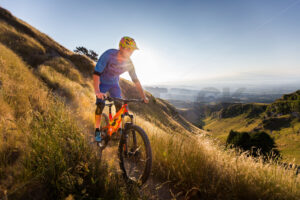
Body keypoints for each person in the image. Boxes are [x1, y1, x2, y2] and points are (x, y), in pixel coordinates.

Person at [93, 36, 149, 143]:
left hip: (114, 84)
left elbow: (135, 80)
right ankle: (97, 130)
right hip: (102, 83)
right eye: (128, 49)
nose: (130, 52)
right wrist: (97, 91)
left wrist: (143, 96)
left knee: (120, 106)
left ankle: (118, 129)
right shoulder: (108, 55)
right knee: (100, 105)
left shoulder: (129, 63)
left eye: (132, 50)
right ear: (120, 47)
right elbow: (96, 73)